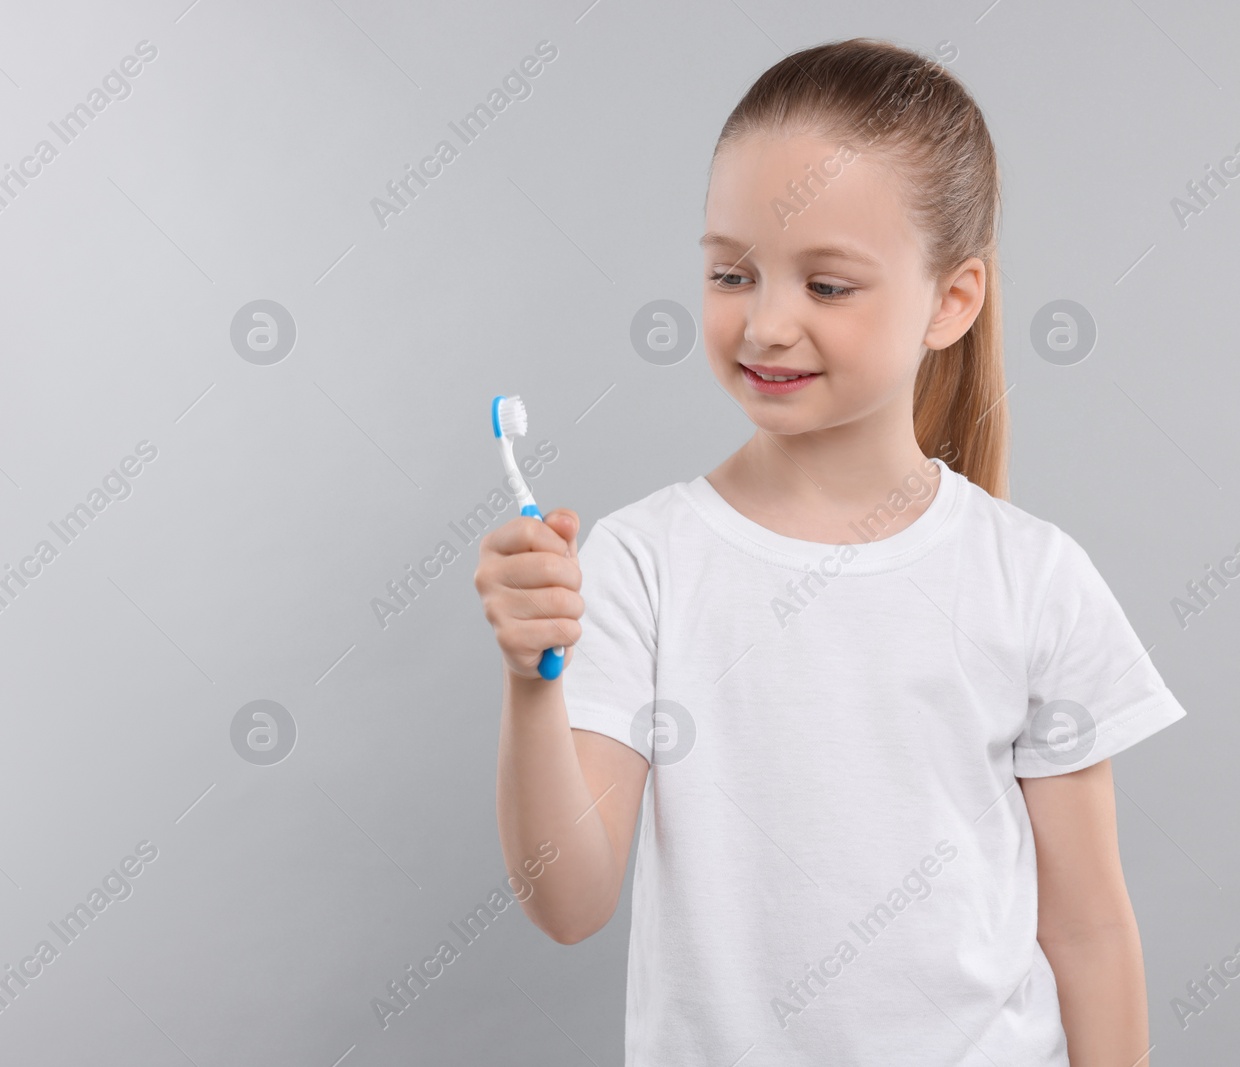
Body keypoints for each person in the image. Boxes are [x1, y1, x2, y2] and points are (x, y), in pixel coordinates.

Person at [473, 37, 1187, 1066]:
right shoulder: (640, 564)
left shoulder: (1032, 578)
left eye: (829, 285)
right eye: (731, 271)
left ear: (952, 300)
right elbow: (569, 900)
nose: (765, 322)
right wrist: (531, 680)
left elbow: (1087, 933)